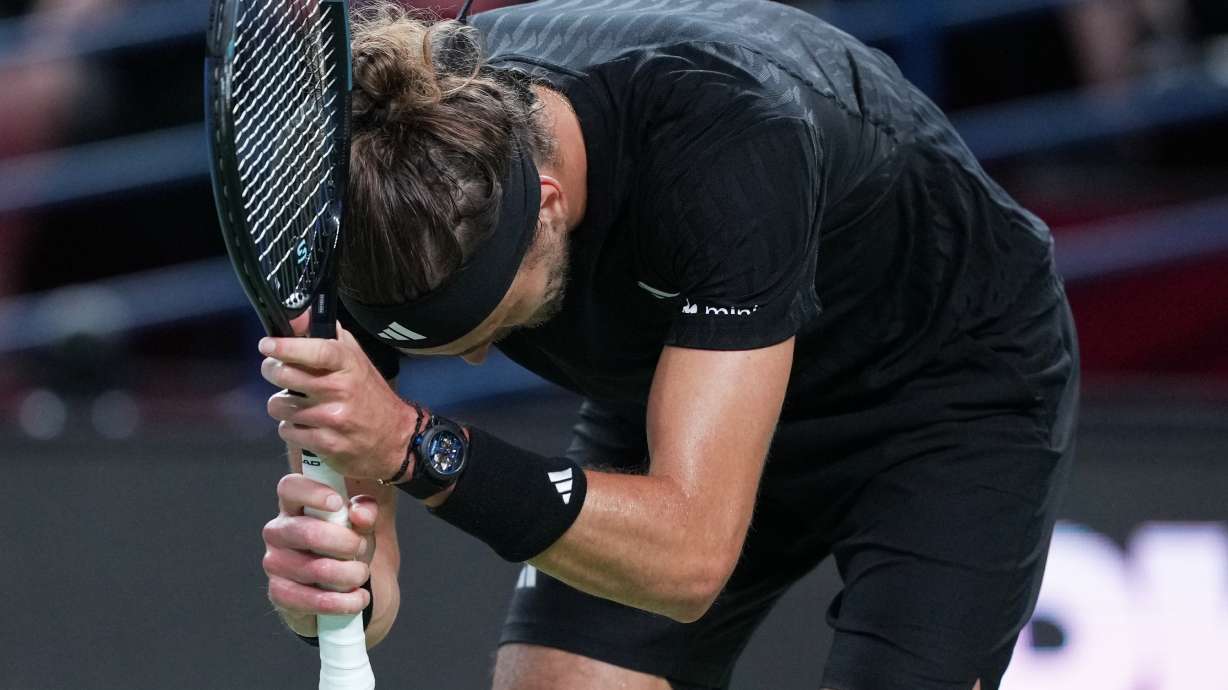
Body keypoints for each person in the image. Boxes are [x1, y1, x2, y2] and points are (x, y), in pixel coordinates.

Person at [256, 1, 1079, 688]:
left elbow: (688, 561)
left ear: (546, 203)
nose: (477, 360)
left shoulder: (725, 139)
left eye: (498, 327)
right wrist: (330, 592)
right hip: (676, 389)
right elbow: (372, 590)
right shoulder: (371, 202)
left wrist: (412, 442)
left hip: (942, 387)